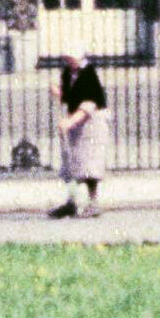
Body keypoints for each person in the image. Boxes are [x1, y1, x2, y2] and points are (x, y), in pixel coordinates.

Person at [51, 55, 110, 219]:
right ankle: (71, 202)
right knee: (71, 166)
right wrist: (59, 93)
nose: (67, 61)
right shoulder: (68, 72)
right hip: (75, 124)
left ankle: (93, 203)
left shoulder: (89, 74)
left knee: (89, 167)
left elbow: (89, 104)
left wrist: (70, 122)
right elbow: (70, 97)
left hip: (91, 125)